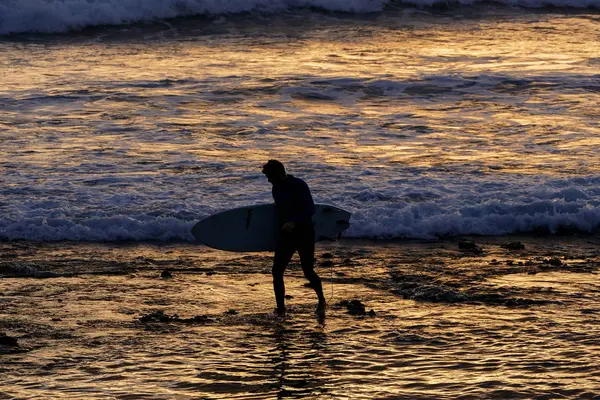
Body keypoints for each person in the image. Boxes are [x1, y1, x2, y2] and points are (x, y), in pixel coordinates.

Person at [262, 160, 326, 318]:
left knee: (308, 270)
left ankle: (322, 300)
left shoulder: (299, 185)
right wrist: (272, 238)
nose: (268, 180)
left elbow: (310, 209)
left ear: (278, 174)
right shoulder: (275, 189)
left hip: (304, 232)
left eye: (270, 176)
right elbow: (280, 213)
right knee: (277, 271)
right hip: (286, 234)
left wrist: (294, 221)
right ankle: (281, 309)